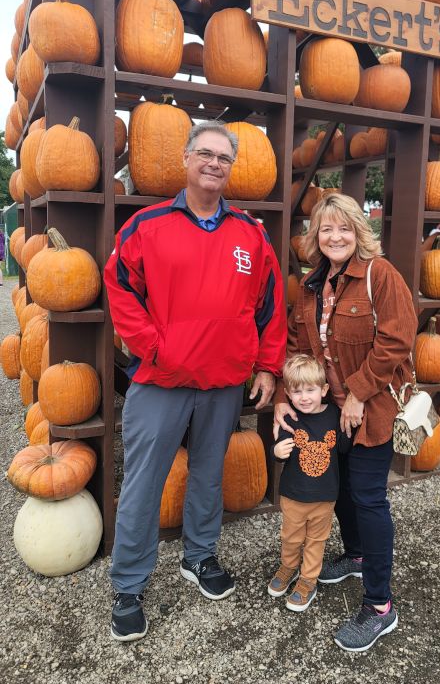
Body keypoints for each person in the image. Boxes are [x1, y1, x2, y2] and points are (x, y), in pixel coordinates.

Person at [104, 120, 287, 641]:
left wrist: (269, 367)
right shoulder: (147, 224)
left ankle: (200, 558)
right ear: (186, 159)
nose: (213, 164)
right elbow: (118, 286)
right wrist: (152, 346)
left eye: (223, 158)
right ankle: (129, 583)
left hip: (224, 379)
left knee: (208, 474)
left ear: (231, 168)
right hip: (162, 379)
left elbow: (270, 308)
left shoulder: (250, 235)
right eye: (204, 154)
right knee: (144, 483)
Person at [274, 192, 417, 652]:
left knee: (369, 497)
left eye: (344, 228)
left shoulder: (381, 275)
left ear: (359, 231)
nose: (335, 236)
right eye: (326, 229)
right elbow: (299, 345)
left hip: (372, 407)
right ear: (315, 236)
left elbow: (397, 340)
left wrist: (357, 392)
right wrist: (283, 394)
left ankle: (380, 606)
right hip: (330, 410)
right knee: (338, 490)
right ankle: (355, 555)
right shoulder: (312, 285)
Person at [268, 354, 349, 612]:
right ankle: (288, 566)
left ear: (324, 390)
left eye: (310, 390)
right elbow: (280, 447)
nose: (304, 397)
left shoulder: (334, 416)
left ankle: (308, 581)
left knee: (316, 540)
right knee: (290, 537)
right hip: (293, 494)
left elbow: (344, 448)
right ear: (288, 395)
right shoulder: (290, 419)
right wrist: (276, 452)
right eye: (297, 391)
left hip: (324, 497)